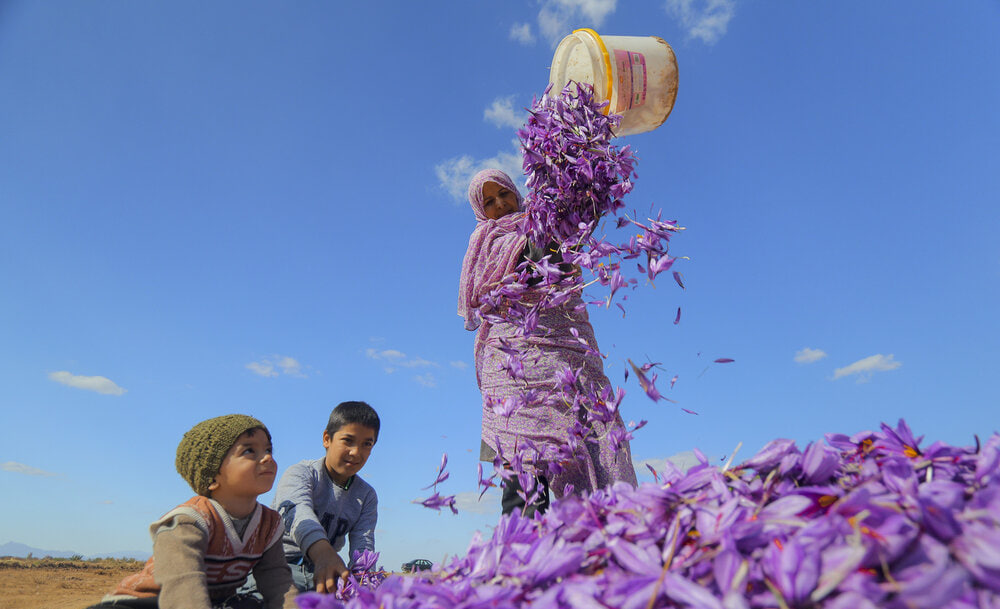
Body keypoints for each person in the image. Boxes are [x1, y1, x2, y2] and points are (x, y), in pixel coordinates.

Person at [458, 168, 637, 517]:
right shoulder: (486, 242)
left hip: (565, 354)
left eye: (505, 194)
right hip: (512, 366)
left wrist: (587, 189)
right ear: (480, 210)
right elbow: (534, 259)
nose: (500, 205)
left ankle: (605, 537)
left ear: (516, 192)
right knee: (523, 476)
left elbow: (563, 245)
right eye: (489, 201)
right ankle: (523, 558)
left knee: (597, 441)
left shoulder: (544, 223)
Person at [87, 415, 292, 609]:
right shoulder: (190, 520)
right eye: (249, 451)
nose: (267, 458)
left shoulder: (269, 523)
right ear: (212, 476)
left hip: (212, 601)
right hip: (148, 601)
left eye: (268, 450)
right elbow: (183, 583)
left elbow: (277, 579)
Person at [272, 401, 379, 594]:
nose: (356, 452)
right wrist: (322, 552)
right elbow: (297, 514)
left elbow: (363, 546)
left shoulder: (367, 495)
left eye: (367, 444)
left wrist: (363, 584)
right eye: (348, 440)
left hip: (328, 573)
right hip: (279, 566)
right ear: (326, 439)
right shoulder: (301, 474)